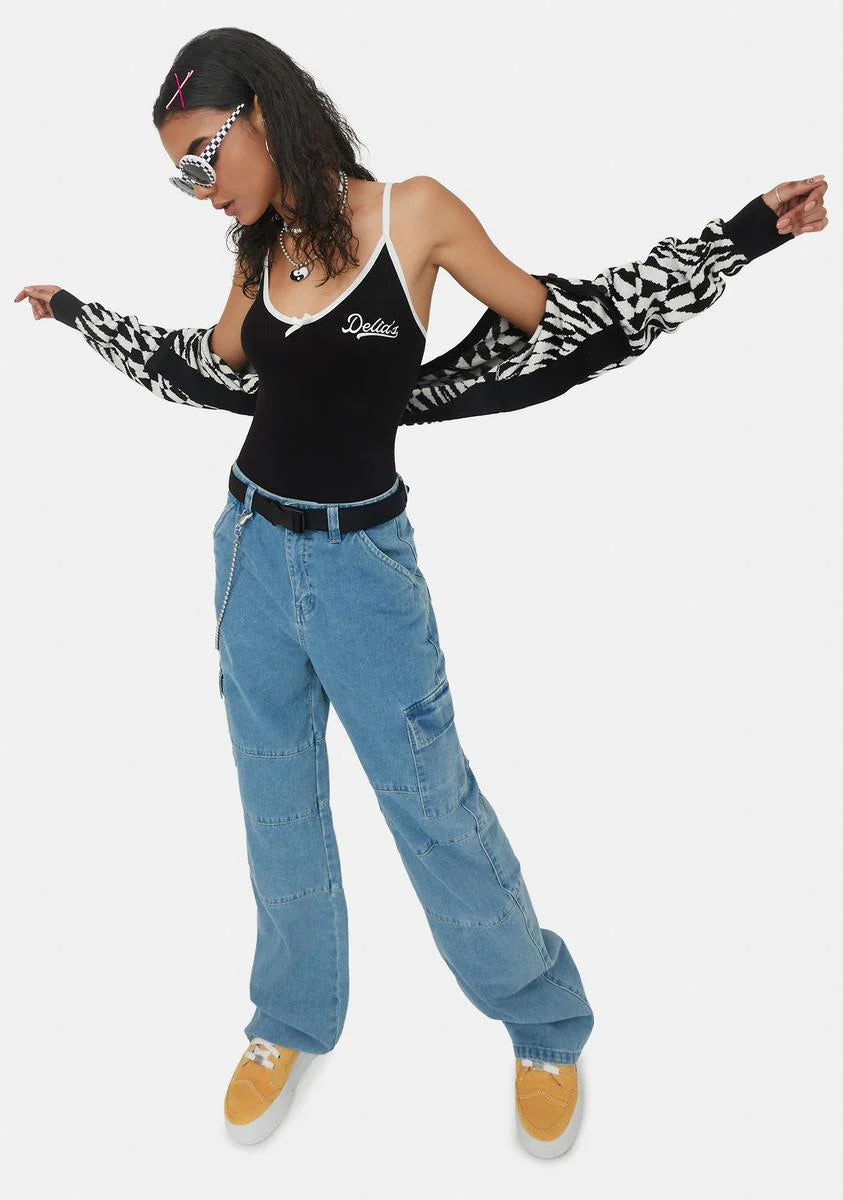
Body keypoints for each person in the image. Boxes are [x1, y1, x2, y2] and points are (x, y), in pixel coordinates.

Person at [14, 26, 828, 1159]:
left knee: (432, 804)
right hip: (248, 552)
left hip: (362, 568)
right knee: (276, 802)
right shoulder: (255, 248)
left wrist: (740, 238)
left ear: (261, 116)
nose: (199, 189)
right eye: (180, 174)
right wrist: (76, 314)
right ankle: (289, 1018)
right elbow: (207, 368)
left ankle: (542, 1023)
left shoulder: (417, 215)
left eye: (203, 157)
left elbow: (574, 322)